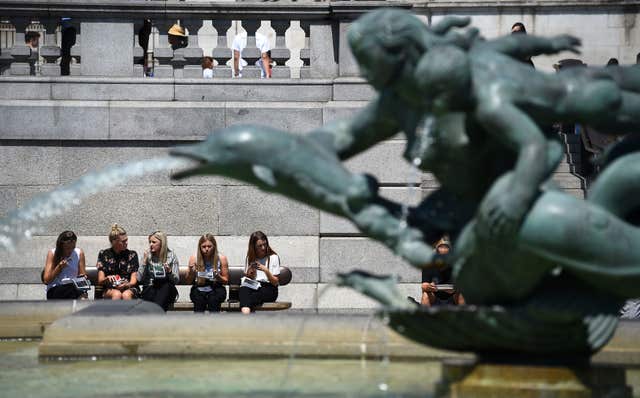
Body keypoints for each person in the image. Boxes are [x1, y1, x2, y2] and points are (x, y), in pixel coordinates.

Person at [239, 231, 280, 314]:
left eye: (265, 244)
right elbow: (249, 278)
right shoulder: (250, 258)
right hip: (254, 285)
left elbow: (275, 282)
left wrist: (266, 270)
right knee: (243, 289)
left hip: (269, 288)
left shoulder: (273, 257)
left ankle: (245, 319)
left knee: (247, 298)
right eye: (260, 246)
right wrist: (250, 273)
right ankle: (247, 318)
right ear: (253, 247)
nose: (263, 248)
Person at [186, 234, 229, 313]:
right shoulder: (194, 258)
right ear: (200, 247)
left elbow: (226, 281)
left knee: (213, 300)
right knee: (199, 299)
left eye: (209, 246)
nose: (206, 249)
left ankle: (213, 323)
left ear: (214, 246)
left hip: (216, 287)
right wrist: (192, 273)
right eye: (204, 246)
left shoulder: (221, 258)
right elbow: (188, 281)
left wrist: (218, 276)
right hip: (199, 286)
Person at [139, 231, 179, 311]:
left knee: (165, 287)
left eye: (154, 242)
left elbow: (176, 281)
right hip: (151, 288)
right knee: (150, 291)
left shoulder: (171, 256)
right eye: (149, 242)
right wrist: (144, 263)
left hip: (167, 289)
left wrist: (170, 272)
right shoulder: (147, 255)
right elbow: (139, 279)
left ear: (162, 243)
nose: (150, 244)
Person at [96, 224, 139, 300]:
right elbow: (100, 280)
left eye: (126, 240)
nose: (126, 243)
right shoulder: (104, 254)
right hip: (110, 288)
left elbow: (133, 280)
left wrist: (126, 285)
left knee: (126, 295)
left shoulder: (132, 255)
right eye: (123, 241)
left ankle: (127, 312)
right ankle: (115, 312)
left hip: (128, 287)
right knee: (117, 294)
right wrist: (107, 278)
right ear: (114, 242)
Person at [43, 231, 87, 300]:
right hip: (56, 289)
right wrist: (59, 268)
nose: (71, 251)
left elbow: (82, 274)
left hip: (74, 289)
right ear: (61, 247)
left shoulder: (79, 253)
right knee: (73, 291)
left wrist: (82, 277)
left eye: (73, 247)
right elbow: (46, 280)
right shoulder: (52, 253)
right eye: (67, 248)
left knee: (79, 293)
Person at [421, 238, 464, 306]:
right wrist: (428, 286)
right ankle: (425, 316)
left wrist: (456, 288)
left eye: (446, 247)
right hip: (434, 297)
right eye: (441, 247)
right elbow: (423, 286)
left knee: (462, 294)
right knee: (425, 295)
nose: (443, 250)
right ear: (436, 249)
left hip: (452, 297)